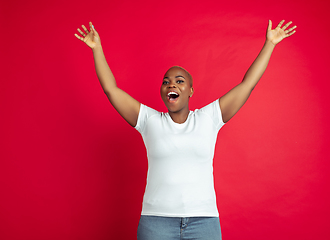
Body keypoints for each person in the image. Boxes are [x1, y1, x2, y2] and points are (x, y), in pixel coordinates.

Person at [74, 19, 296, 240]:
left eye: (179, 81)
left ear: (190, 90)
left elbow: (247, 84)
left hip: (204, 221)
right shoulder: (149, 120)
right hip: (156, 222)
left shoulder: (208, 118)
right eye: (166, 81)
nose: (172, 85)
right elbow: (111, 90)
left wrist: (270, 44)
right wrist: (97, 49)